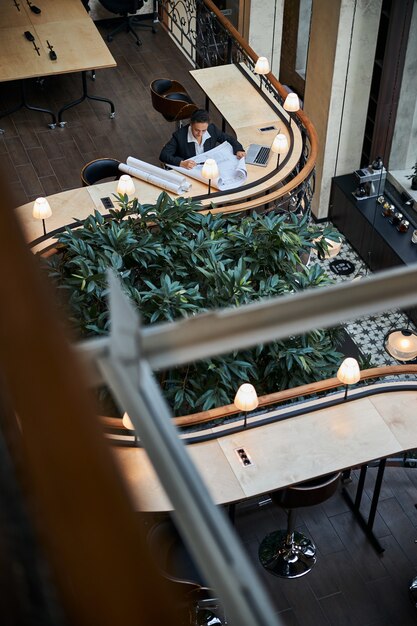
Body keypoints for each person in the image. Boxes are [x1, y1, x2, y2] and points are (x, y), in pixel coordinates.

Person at [159, 109, 246, 169]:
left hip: (208, 168)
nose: (200, 134)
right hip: (191, 170)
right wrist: (182, 163)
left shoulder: (212, 129)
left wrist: (239, 149)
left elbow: (229, 139)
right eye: (196, 130)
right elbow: (164, 155)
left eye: (203, 130)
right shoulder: (180, 136)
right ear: (191, 124)